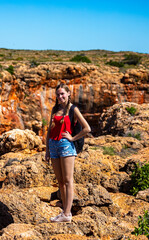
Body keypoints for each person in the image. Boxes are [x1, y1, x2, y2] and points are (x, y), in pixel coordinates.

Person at [45, 83, 91, 222]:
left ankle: (66, 213)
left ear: (68, 93)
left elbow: (87, 128)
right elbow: (49, 130)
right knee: (60, 181)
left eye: (62, 94)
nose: (60, 96)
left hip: (66, 146)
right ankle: (65, 212)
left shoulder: (73, 109)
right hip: (53, 145)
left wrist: (72, 138)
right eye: (58, 94)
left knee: (68, 180)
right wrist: (47, 150)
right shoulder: (55, 109)